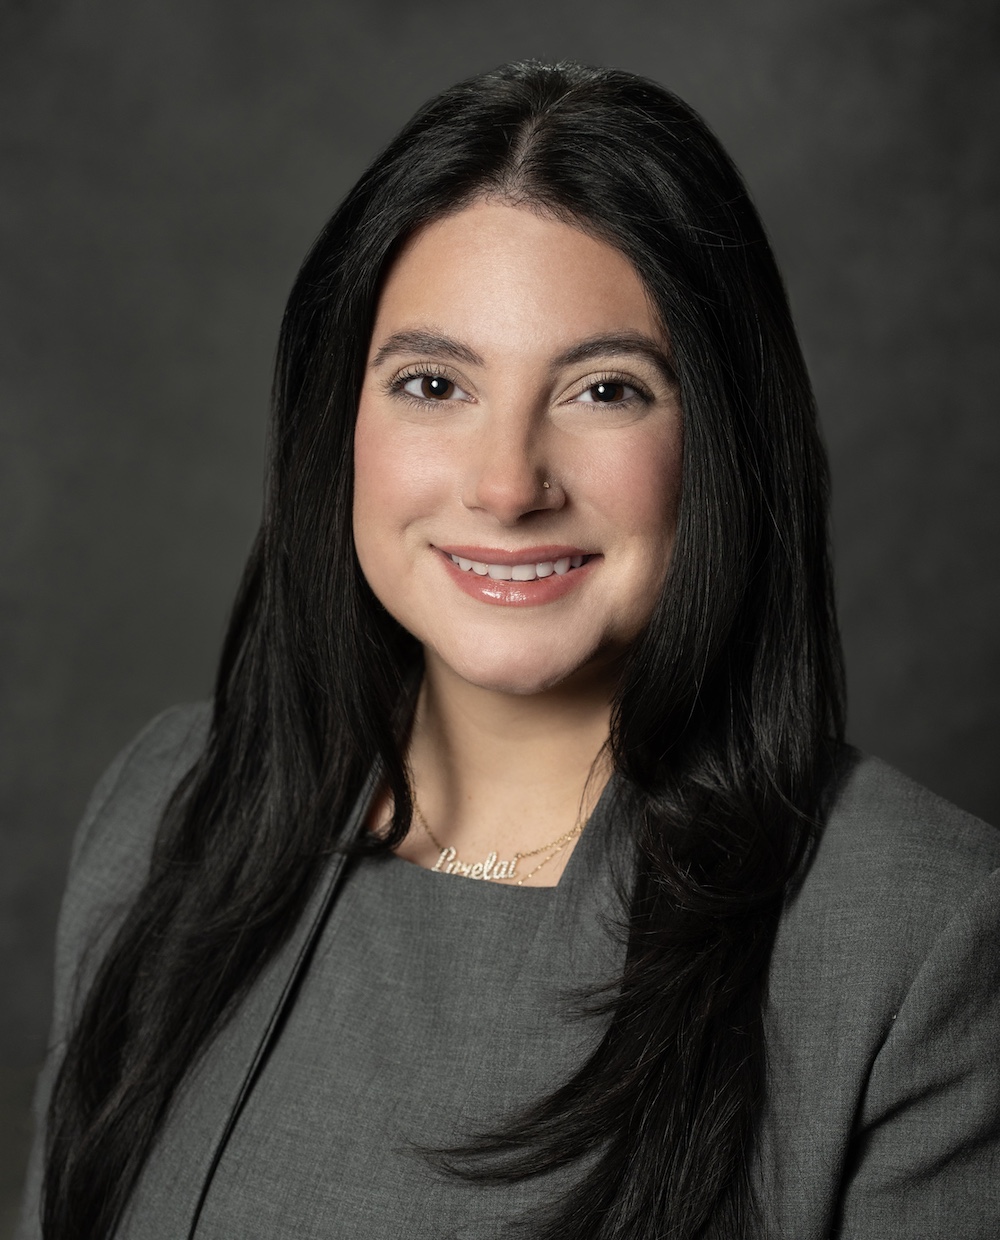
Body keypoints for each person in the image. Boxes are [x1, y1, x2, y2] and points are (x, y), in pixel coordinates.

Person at [18, 60, 1000, 1240]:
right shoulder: (166, 811)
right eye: (432, 383)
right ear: (340, 422)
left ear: (725, 442)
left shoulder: (919, 934)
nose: (504, 484)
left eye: (603, 390)